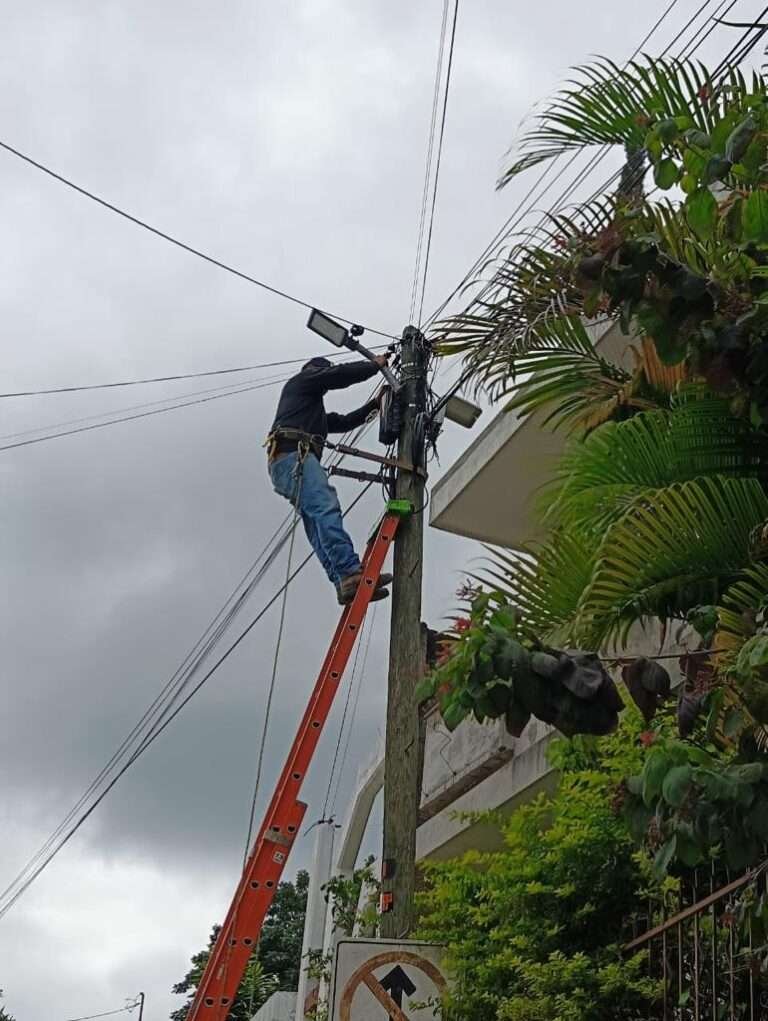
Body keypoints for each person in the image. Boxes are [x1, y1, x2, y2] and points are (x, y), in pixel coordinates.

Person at [266, 354, 393, 605]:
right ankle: (349, 572)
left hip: (286, 462)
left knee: (316, 520)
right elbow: (336, 376)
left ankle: (343, 581)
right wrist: (373, 366)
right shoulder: (300, 382)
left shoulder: (308, 411)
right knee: (325, 507)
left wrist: (375, 405)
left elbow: (343, 421)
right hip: (294, 457)